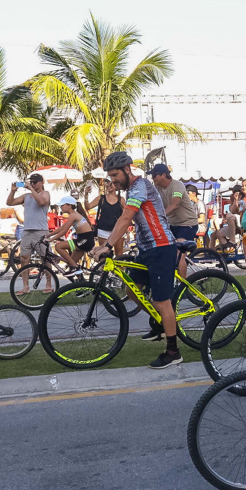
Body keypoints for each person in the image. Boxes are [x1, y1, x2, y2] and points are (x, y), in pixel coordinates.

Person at [91, 152, 181, 368]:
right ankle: (160, 322)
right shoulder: (131, 189)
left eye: (115, 175)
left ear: (127, 169)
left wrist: (107, 245)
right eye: (110, 176)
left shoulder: (140, 185)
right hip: (146, 248)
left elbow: (126, 218)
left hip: (161, 247)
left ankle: (173, 351)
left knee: (162, 302)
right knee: (131, 289)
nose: (113, 180)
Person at [149, 163, 199, 278]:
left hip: (187, 224)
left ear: (163, 175)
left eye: (154, 175)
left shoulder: (177, 185)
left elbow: (175, 205)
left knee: (179, 253)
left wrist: (158, 217)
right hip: (172, 224)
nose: (152, 178)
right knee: (164, 251)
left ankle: (183, 287)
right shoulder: (157, 188)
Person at [7, 173, 52, 295]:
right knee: (24, 258)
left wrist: (31, 189)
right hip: (27, 230)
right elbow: (9, 203)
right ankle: (25, 286)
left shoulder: (45, 193)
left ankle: (49, 284)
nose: (32, 184)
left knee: (45, 258)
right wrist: (12, 191)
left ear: (41, 182)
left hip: (41, 231)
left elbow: (42, 202)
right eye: (31, 182)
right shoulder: (26, 196)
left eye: (35, 182)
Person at [47, 196, 94, 276]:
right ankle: (79, 280)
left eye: (62, 205)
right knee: (71, 263)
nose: (60, 207)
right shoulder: (73, 215)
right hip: (83, 239)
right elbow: (62, 228)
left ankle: (76, 268)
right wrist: (49, 235)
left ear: (69, 206)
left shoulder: (73, 215)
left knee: (58, 246)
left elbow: (64, 231)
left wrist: (50, 239)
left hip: (84, 240)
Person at [86, 178, 126, 258]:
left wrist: (127, 232)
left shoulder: (121, 199)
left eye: (111, 183)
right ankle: (105, 271)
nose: (108, 185)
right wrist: (86, 194)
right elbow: (88, 206)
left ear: (116, 185)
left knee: (119, 255)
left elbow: (125, 216)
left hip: (117, 230)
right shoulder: (101, 198)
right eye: (107, 183)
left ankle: (119, 270)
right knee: (104, 255)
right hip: (103, 230)